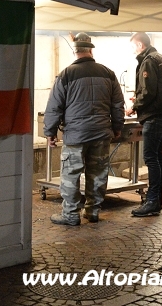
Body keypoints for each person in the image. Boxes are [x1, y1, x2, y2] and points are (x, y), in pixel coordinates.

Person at [43, 32, 125, 226]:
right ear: (90, 49)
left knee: (71, 175)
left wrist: (50, 132)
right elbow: (118, 105)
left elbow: (54, 106)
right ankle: (93, 211)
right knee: (97, 173)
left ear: (75, 51)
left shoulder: (66, 74)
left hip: (76, 135)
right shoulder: (108, 73)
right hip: (100, 133)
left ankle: (71, 214)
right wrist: (117, 127)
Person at [126, 32, 162, 217]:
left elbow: (148, 91)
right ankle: (155, 200)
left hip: (153, 115)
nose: (133, 51)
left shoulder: (148, 60)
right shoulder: (161, 58)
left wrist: (134, 106)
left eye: (133, 47)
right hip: (160, 114)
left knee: (151, 158)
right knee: (157, 157)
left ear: (140, 45)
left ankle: (153, 200)